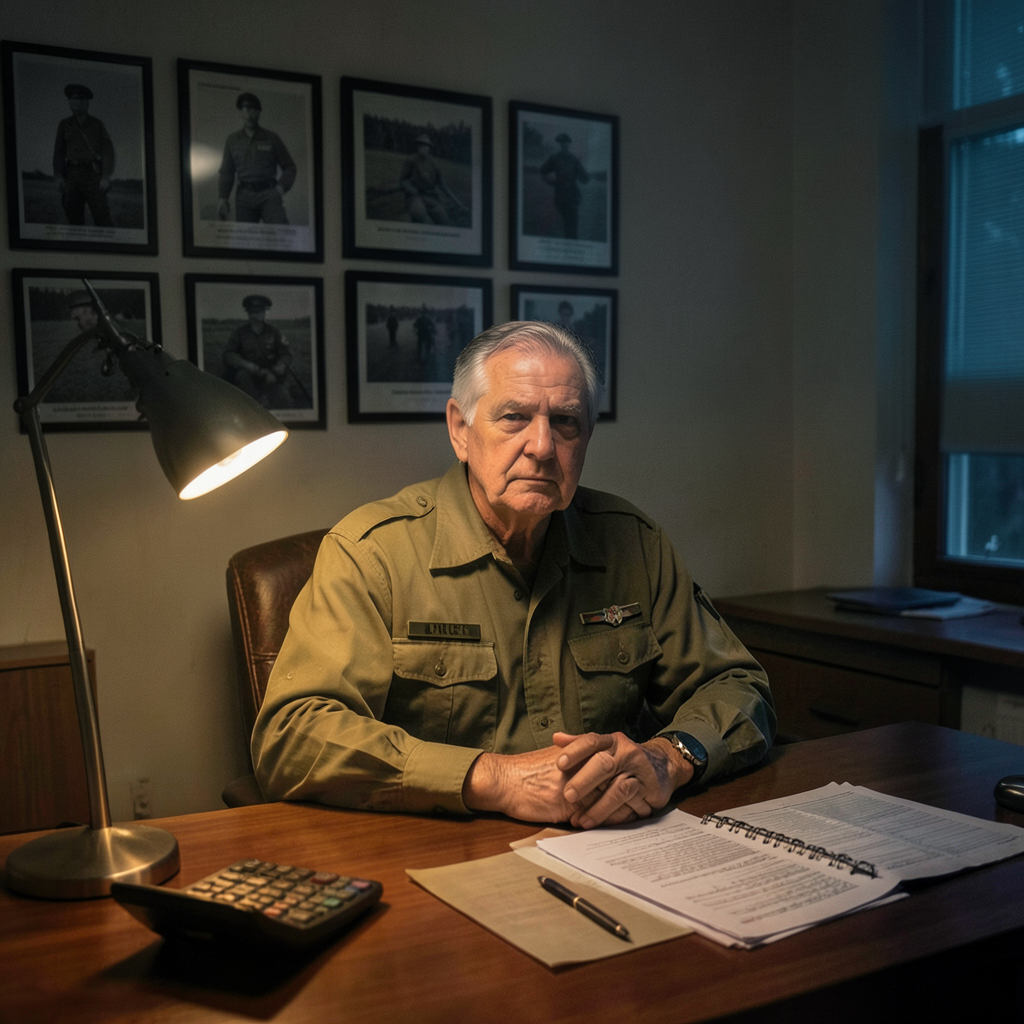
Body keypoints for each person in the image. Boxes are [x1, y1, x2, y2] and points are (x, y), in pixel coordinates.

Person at [252, 321, 775, 829]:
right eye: (514, 417)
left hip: (613, 841)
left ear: (587, 436)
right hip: (442, 847)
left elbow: (737, 686)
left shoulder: (635, 544)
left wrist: (670, 757)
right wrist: (494, 778)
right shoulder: (373, 554)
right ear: (460, 430)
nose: (543, 446)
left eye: (565, 421)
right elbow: (291, 735)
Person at [217, 93, 297, 224]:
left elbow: (290, 167)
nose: (248, 115)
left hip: (269, 195)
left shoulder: (272, 138)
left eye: (252, 110)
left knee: (282, 232)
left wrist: (281, 188)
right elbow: (227, 171)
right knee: (245, 236)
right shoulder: (233, 140)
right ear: (240, 113)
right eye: (245, 110)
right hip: (244, 197)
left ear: (259, 112)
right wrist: (223, 198)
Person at [52, 84, 115, 227]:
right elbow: (59, 153)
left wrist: (106, 176)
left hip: (93, 176)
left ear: (87, 103)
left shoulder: (97, 124)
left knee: (103, 219)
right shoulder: (64, 124)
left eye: (82, 99)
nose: (78, 102)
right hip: (71, 175)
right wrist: (58, 176)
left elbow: (108, 151)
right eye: (73, 98)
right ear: (69, 102)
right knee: (74, 221)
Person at [222, 294, 293, 407]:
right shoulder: (239, 332)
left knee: (284, 398)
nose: (255, 316)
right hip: (249, 374)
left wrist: (280, 366)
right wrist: (248, 365)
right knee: (242, 377)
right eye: (252, 312)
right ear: (248, 313)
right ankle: (256, 404)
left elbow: (286, 354)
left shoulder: (274, 331)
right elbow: (228, 354)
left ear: (265, 312)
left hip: (271, 375)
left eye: (258, 312)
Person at [399, 133, 467, 225]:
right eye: (421, 145)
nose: (423, 148)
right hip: (414, 196)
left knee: (442, 216)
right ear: (417, 146)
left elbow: (441, 182)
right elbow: (403, 180)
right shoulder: (410, 160)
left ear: (429, 148)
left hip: (429, 195)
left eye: (426, 145)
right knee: (420, 215)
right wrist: (411, 189)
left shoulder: (433, 162)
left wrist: (453, 198)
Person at [539, 132, 589, 239]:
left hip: (573, 195)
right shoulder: (554, 158)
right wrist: (553, 182)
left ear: (568, 144)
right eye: (561, 143)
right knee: (565, 223)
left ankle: (572, 242)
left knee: (573, 224)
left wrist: (585, 175)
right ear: (560, 144)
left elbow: (584, 178)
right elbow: (543, 171)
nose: (563, 144)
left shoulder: (574, 160)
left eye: (565, 142)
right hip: (561, 195)